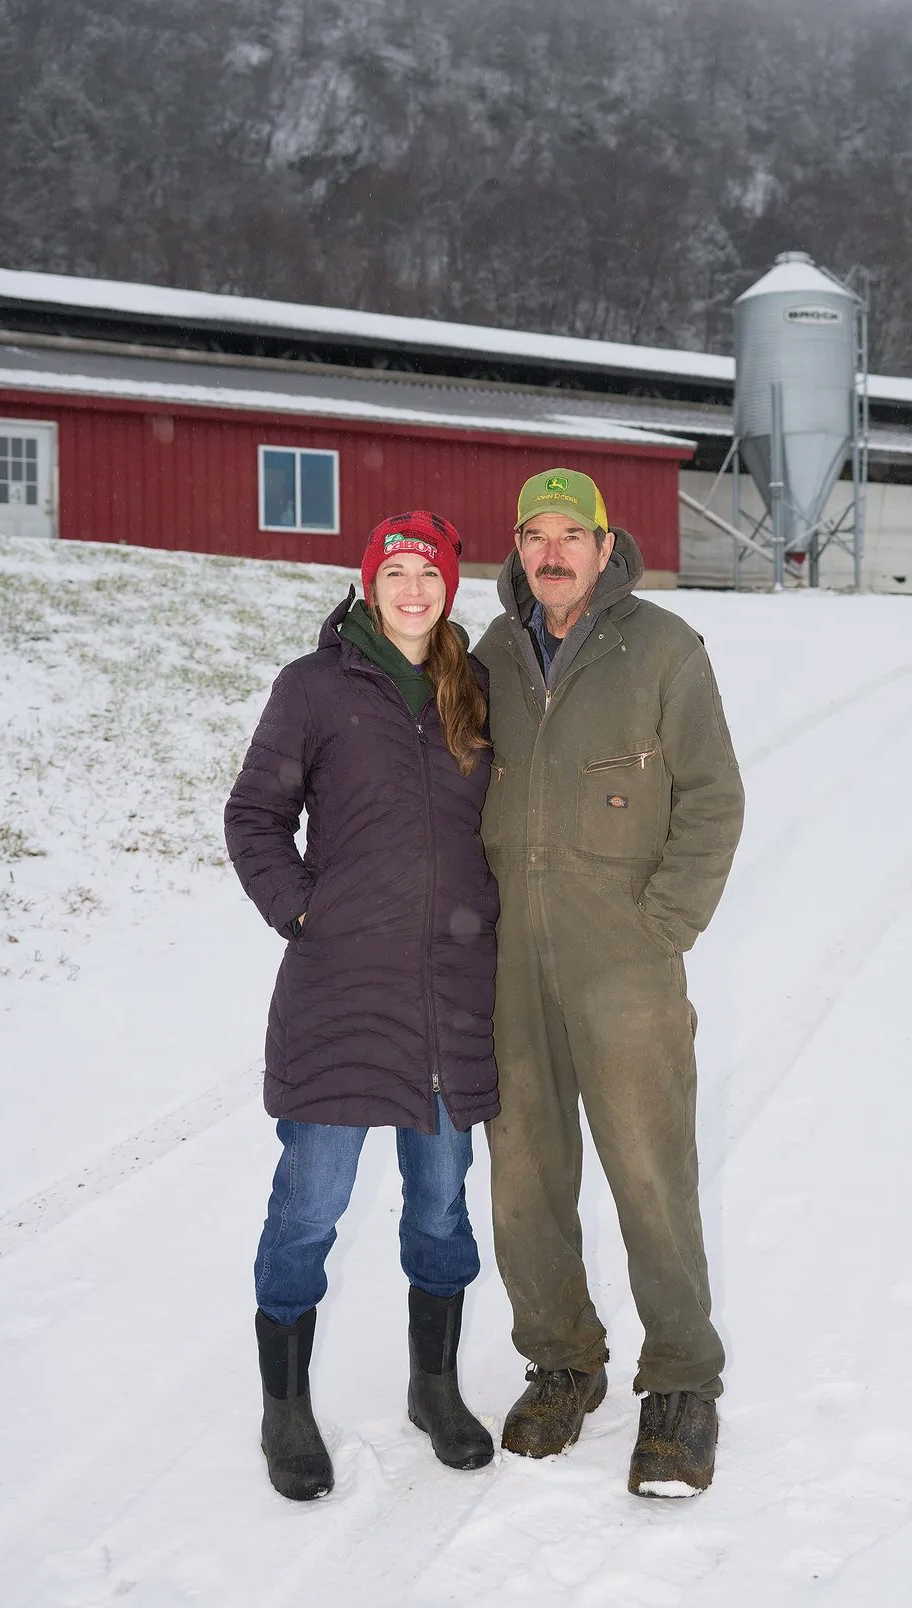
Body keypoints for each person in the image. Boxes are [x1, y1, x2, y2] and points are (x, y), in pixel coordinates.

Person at [474, 468, 745, 1498]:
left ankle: (681, 1384)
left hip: (623, 967)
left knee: (650, 1175)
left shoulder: (664, 649)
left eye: (569, 535)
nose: (551, 554)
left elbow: (713, 798)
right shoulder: (491, 655)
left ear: (602, 545)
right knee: (523, 1180)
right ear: (518, 548)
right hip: (509, 965)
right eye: (533, 535)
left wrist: (662, 926)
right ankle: (561, 1361)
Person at [224, 511, 499, 1501]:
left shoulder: (475, 689)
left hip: (451, 999)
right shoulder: (314, 687)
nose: (413, 590)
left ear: (449, 586)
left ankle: (434, 1386)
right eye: (396, 573)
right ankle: (285, 1406)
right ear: (370, 584)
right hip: (339, 994)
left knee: (441, 1207)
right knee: (310, 1207)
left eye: (429, 573)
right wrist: (305, 912)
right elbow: (255, 815)